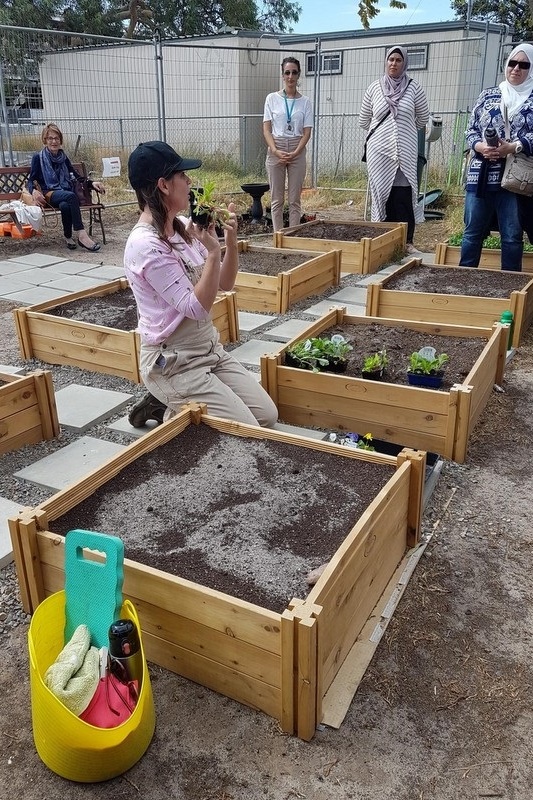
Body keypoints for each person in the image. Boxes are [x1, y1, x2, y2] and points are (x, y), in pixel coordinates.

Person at [124, 140, 278, 429]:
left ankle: (172, 399)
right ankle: (172, 406)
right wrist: (212, 254)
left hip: (207, 350)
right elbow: (195, 307)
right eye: (182, 175)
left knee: (267, 416)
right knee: (248, 430)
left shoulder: (181, 227)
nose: (189, 181)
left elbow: (225, 282)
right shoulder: (146, 246)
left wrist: (228, 243)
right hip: (173, 361)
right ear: (164, 185)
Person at [459, 44, 533, 271]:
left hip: (513, 178)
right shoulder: (488, 94)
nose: (516, 69)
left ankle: (510, 285)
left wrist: (513, 147)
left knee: (511, 235)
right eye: (512, 63)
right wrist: (480, 146)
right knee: (472, 232)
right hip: (480, 174)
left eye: (524, 65)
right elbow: (470, 129)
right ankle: (462, 278)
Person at [359, 46, 429, 254]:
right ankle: (382, 240)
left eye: (398, 60)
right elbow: (364, 120)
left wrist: (404, 131)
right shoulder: (374, 88)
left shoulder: (414, 88)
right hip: (379, 152)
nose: (394, 64)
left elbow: (423, 118)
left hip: (405, 152)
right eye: (391, 59)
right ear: (385, 62)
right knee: (381, 193)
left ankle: (407, 242)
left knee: (404, 193)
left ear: (404, 63)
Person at [27, 123, 105, 252]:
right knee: (70, 196)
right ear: (45, 140)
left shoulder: (63, 157)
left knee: (65, 204)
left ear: (60, 140)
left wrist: (91, 183)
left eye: (56, 138)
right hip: (48, 194)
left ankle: (68, 237)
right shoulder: (38, 157)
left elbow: (76, 176)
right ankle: (82, 234)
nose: (54, 141)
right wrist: (33, 190)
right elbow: (30, 180)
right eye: (50, 138)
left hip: (64, 193)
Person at [263, 57, 313, 232]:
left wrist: (296, 152)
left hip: (296, 149)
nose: (290, 76)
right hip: (276, 147)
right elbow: (267, 130)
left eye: (294, 72)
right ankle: (278, 237)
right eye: (287, 72)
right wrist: (275, 150)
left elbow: (307, 132)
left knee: (294, 200)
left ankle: (292, 236)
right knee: (276, 199)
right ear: (282, 74)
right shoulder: (272, 98)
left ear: (298, 75)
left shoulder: (305, 102)